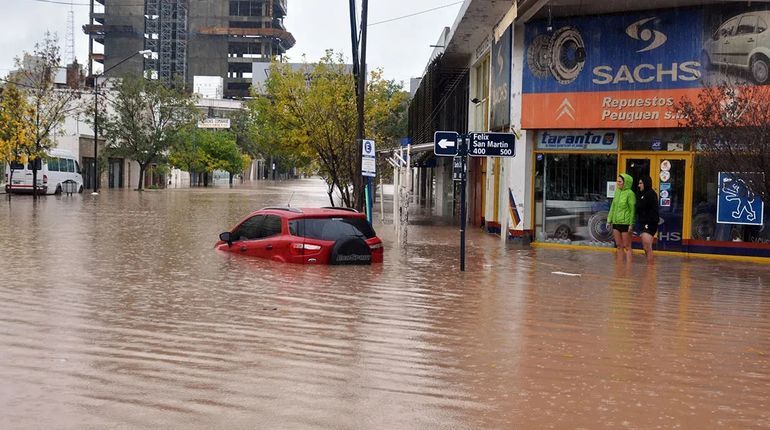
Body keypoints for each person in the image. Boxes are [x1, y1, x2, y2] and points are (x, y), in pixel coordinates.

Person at [607, 173, 636, 263]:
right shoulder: (617, 192)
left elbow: (632, 209)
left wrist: (631, 224)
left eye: (620, 181)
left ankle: (628, 268)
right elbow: (613, 207)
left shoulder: (630, 194)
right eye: (617, 181)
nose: (617, 183)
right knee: (619, 245)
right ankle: (619, 267)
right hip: (616, 222)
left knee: (627, 246)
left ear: (625, 182)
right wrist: (609, 220)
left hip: (626, 223)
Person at [636, 175, 659, 264]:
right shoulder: (641, 194)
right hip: (642, 222)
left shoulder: (651, 194)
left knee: (647, 246)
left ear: (646, 183)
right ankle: (649, 268)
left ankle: (650, 269)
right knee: (645, 247)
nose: (639, 185)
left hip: (650, 223)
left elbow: (642, 207)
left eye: (641, 183)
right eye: (638, 183)